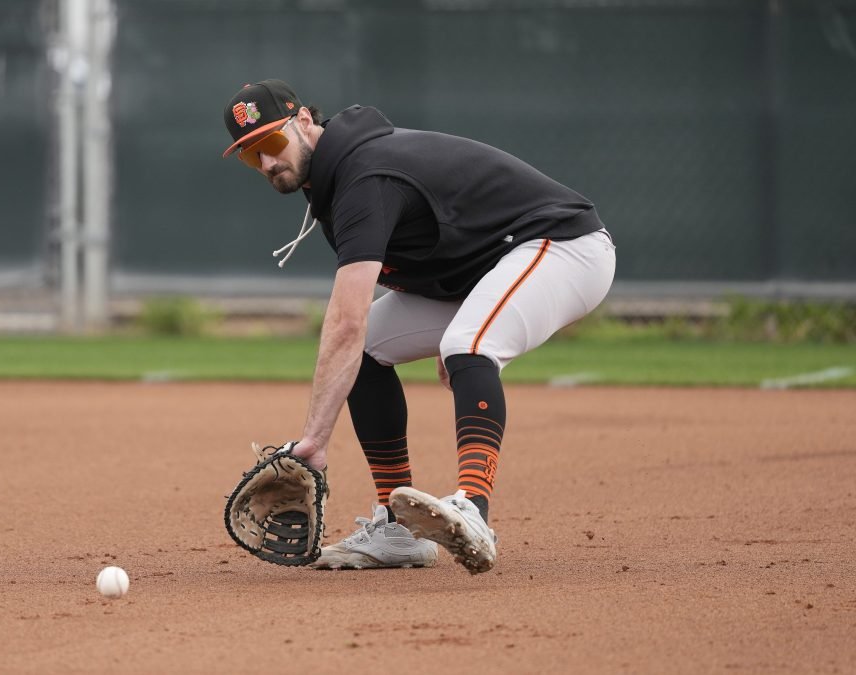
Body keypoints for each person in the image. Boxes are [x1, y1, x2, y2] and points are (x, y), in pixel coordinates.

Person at [221, 79, 616, 573]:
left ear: (304, 122)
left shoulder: (363, 176)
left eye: (271, 143)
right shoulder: (334, 179)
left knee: (467, 345)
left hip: (564, 246)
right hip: (486, 266)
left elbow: (346, 320)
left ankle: (473, 508)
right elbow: (429, 247)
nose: (265, 162)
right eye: (249, 154)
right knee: (369, 353)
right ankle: (398, 530)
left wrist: (314, 443)